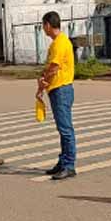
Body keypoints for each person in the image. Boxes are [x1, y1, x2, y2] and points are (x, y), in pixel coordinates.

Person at [37, 11, 76, 180]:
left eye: (43, 26)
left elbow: (54, 67)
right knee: (62, 129)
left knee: (66, 129)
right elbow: (50, 67)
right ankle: (63, 162)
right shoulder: (57, 42)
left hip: (61, 89)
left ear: (47, 25)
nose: (43, 30)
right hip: (57, 88)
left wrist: (43, 81)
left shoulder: (60, 43)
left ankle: (69, 165)